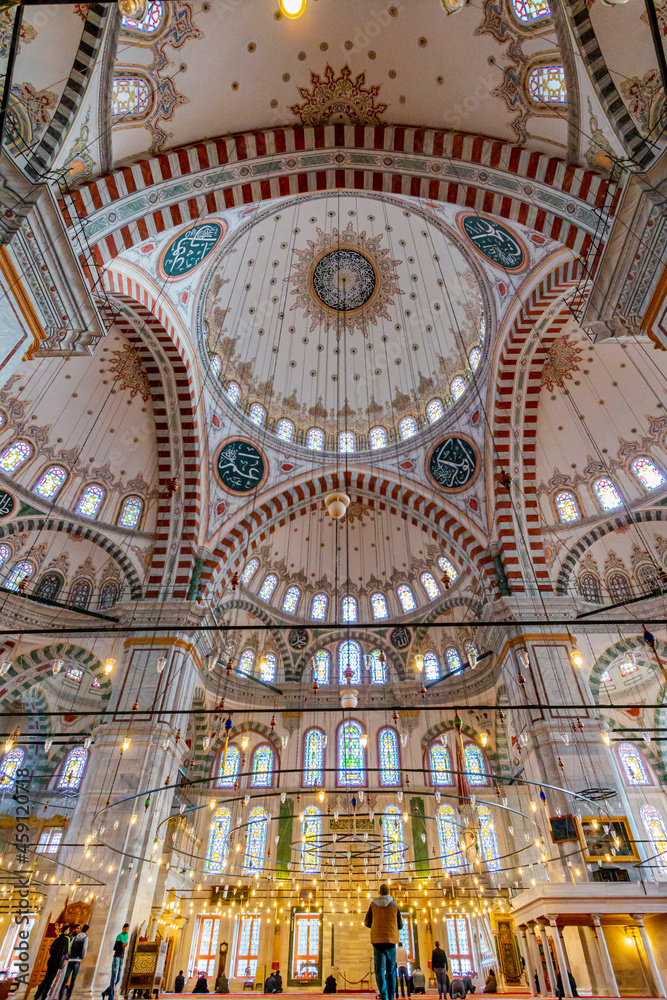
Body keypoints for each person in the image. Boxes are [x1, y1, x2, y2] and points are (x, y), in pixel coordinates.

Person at [364, 883, 403, 1000]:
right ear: (389, 892)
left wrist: (376, 927)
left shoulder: (373, 904)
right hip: (390, 942)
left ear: (379, 892)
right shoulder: (394, 905)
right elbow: (400, 925)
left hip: (377, 941)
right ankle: (391, 997)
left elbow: (367, 922)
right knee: (391, 971)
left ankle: (384, 995)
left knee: (379, 970)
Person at [35, 926, 71, 1000]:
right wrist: (64, 959)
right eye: (68, 930)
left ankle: (37, 995)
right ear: (65, 931)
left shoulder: (57, 939)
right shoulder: (67, 938)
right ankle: (44, 996)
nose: (69, 931)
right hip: (58, 961)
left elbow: (51, 950)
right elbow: (66, 950)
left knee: (46, 978)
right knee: (51, 979)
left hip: (51, 960)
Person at [58, 924, 88, 1000]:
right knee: (73, 979)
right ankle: (68, 997)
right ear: (87, 931)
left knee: (65, 978)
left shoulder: (75, 937)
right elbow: (84, 949)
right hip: (77, 960)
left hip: (71, 959)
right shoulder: (85, 938)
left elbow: (70, 947)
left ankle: (60, 997)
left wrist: (69, 956)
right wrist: (82, 957)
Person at [102, 923, 130, 1000]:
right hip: (117, 957)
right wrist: (122, 945)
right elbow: (115, 947)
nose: (126, 931)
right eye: (125, 929)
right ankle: (111, 996)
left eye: (127, 929)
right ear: (122, 929)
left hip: (121, 957)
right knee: (114, 976)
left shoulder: (127, 936)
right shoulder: (119, 936)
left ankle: (106, 992)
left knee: (118, 978)